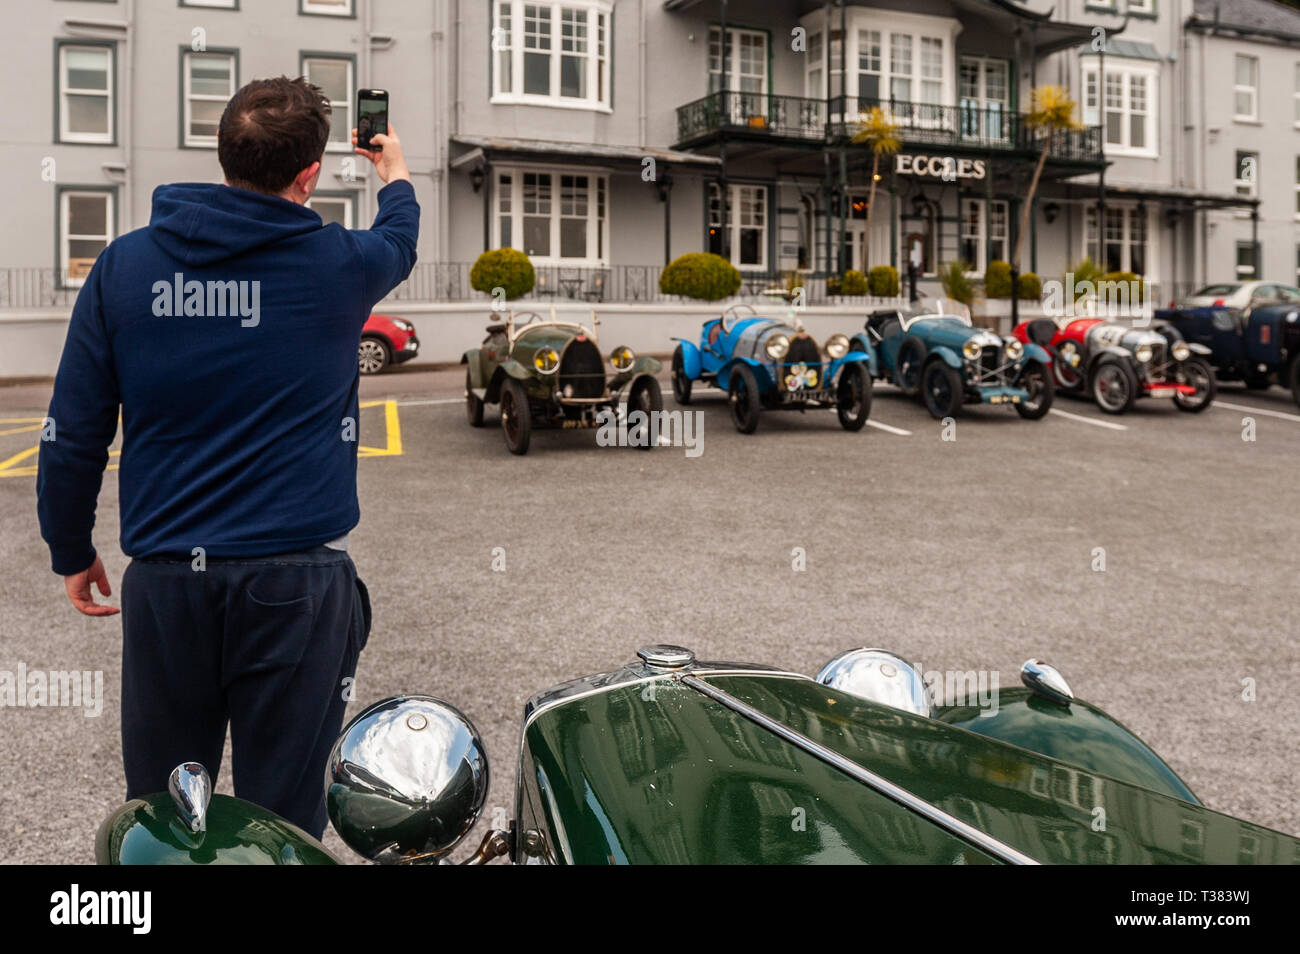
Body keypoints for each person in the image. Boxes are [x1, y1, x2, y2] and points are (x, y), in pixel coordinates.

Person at [35, 76, 419, 837]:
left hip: (168, 588)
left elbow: (74, 428)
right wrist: (394, 171)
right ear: (308, 174)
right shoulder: (341, 265)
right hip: (299, 587)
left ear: (224, 155)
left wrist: (70, 548)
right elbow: (399, 237)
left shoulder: (123, 269)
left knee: (170, 818)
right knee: (285, 819)